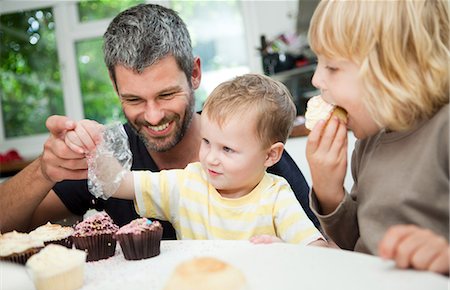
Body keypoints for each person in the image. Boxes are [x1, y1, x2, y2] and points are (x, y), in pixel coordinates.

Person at [0, 3, 319, 238]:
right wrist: (44, 169)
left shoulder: (257, 155)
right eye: (134, 99)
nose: (153, 116)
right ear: (115, 88)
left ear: (194, 73)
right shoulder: (114, 154)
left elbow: (318, 254)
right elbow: (10, 228)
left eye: (166, 95)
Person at [66, 74, 326, 245]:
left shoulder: (276, 196)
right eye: (206, 142)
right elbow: (118, 183)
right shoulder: (188, 182)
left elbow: (319, 251)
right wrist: (94, 146)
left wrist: (288, 252)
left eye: (227, 150)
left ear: (270, 155)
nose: (211, 158)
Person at [305, 0, 449, 274]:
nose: (316, 80)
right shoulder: (369, 144)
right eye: (317, 62)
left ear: (395, 68)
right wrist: (329, 192)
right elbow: (358, 245)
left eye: (332, 67)